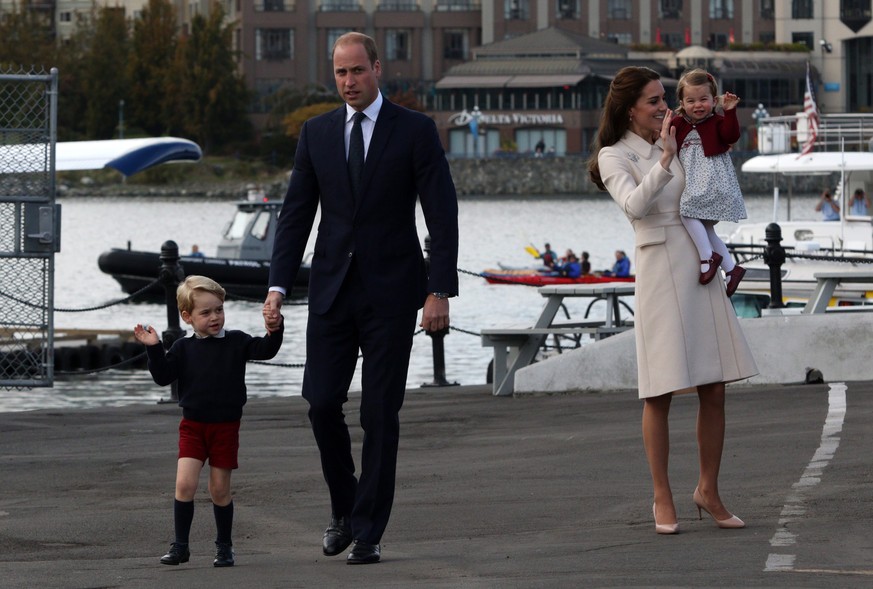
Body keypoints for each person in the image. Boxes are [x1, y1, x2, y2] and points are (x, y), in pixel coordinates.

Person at [262, 32, 459, 565]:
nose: (348, 82)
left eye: (357, 71)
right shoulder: (317, 133)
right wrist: (278, 286)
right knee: (321, 403)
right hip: (330, 292)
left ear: (377, 69)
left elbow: (441, 214)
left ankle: (369, 530)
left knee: (378, 414)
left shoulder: (415, 131)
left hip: (393, 295)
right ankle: (345, 506)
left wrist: (438, 289)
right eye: (340, 73)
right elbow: (296, 214)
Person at [587, 66, 758, 535]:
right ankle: (662, 495)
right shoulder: (613, 155)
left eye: (664, 97)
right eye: (653, 100)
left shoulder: (684, 135)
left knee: (715, 385)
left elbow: (705, 185)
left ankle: (708, 490)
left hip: (698, 263)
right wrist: (664, 159)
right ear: (628, 109)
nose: (664, 106)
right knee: (659, 391)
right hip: (659, 268)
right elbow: (634, 207)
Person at [133, 275, 284, 567]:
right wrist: (153, 347)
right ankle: (180, 546)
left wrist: (275, 329)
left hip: (225, 427)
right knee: (184, 485)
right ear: (187, 316)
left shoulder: (237, 341)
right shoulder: (181, 348)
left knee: (219, 490)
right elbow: (163, 377)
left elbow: (267, 349)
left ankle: (224, 546)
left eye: (219, 309)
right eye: (206, 312)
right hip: (193, 426)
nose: (215, 317)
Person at [671, 69, 747, 296]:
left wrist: (730, 111)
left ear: (714, 101)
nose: (698, 105)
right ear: (682, 103)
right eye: (691, 100)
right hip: (696, 181)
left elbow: (732, 135)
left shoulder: (717, 121)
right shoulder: (678, 122)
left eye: (703, 99)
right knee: (705, 227)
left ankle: (707, 257)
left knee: (686, 212)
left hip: (712, 179)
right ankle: (731, 269)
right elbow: (662, 137)